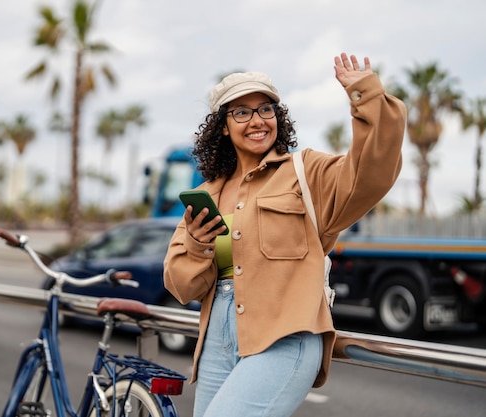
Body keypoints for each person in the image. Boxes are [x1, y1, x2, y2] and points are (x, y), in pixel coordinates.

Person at [163, 53, 406, 417]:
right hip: (216, 340)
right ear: (223, 127)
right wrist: (198, 245)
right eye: (241, 112)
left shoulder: (307, 172)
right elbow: (181, 286)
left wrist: (364, 95)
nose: (257, 120)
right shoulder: (207, 194)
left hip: (286, 336)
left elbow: (373, 170)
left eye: (265, 109)